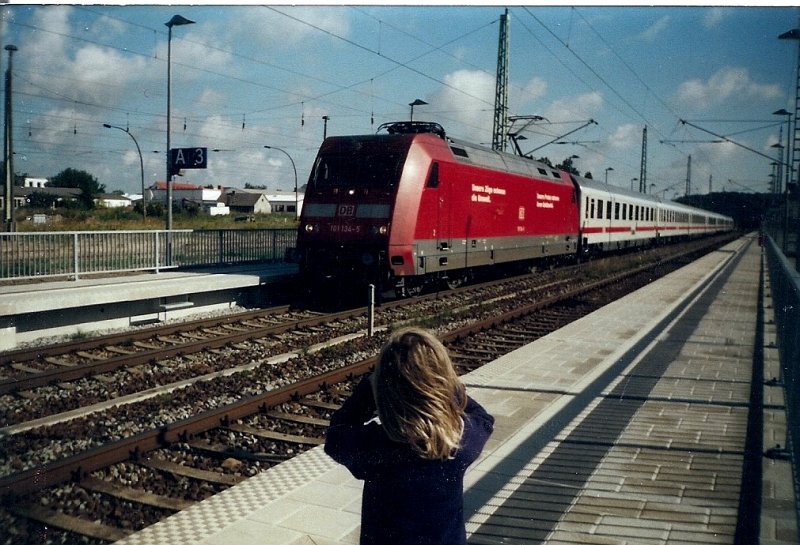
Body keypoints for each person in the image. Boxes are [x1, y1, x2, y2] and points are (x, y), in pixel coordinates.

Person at [325, 327, 495, 545]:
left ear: (383, 392)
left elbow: (337, 434)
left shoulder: (375, 446)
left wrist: (368, 389)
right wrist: (446, 385)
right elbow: (483, 418)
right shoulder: (458, 440)